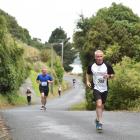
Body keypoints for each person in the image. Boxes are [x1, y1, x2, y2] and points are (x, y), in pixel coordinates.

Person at [86, 50, 115, 131]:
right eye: (97, 56)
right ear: (95, 57)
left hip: (105, 88)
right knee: (99, 104)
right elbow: (88, 73)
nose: (99, 58)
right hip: (96, 88)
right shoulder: (91, 65)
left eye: (100, 56)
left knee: (102, 106)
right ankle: (100, 122)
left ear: (103, 56)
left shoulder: (107, 65)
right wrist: (88, 81)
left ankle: (97, 119)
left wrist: (108, 76)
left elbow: (113, 75)